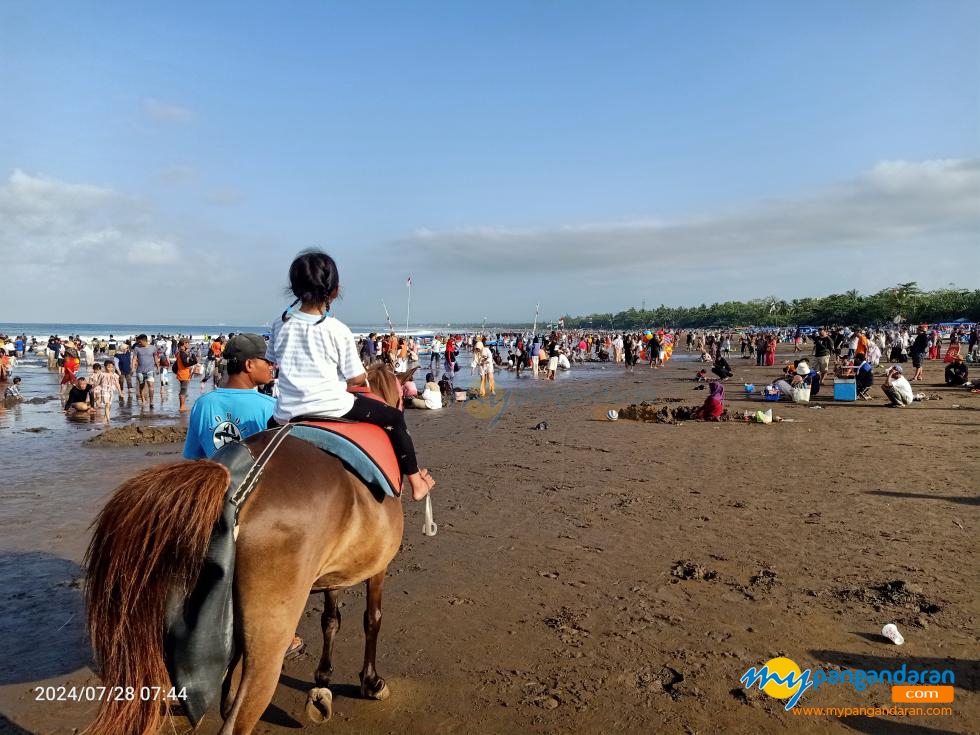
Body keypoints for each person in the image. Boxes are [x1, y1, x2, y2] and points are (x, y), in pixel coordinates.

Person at [267, 250, 435, 501]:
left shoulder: (279, 325)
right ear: (334, 291)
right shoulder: (336, 329)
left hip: (286, 413)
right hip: (333, 407)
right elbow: (356, 378)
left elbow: (271, 361)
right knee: (394, 419)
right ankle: (416, 482)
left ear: (294, 288)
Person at [183, 334, 276, 459]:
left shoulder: (202, 404)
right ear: (249, 365)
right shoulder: (271, 407)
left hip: (218, 477)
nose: (272, 365)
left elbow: (194, 456)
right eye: (268, 361)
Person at [132, 334, 159, 407]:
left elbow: (155, 358)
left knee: (151, 385)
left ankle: (151, 402)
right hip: (140, 371)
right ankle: (143, 399)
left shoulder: (153, 348)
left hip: (150, 370)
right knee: (142, 386)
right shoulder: (136, 348)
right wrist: (133, 368)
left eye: (140, 342)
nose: (138, 343)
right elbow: (134, 358)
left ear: (145, 341)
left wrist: (158, 367)